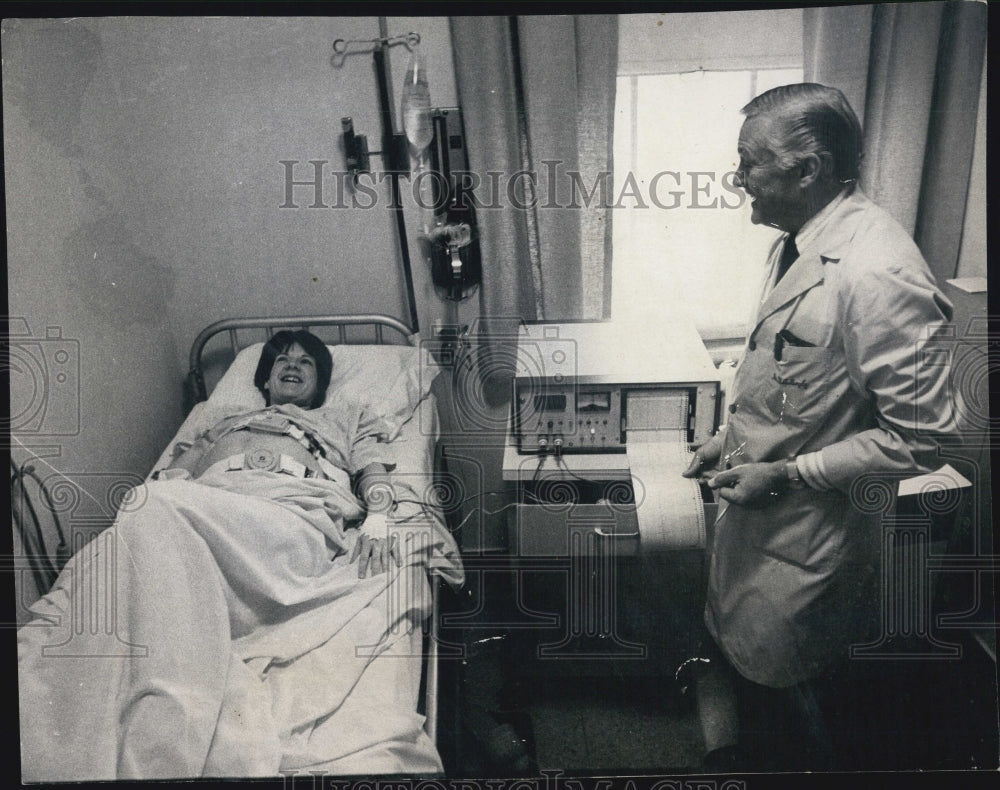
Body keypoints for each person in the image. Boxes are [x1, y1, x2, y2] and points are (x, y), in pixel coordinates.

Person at [681, 83, 957, 771]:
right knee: (755, 678)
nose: (737, 178)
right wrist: (731, 442)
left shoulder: (877, 271)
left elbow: (922, 438)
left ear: (809, 168)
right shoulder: (800, 243)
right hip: (763, 527)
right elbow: (793, 382)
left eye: (751, 162)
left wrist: (787, 472)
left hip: (813, 538)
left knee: (799, 713)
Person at [160, 329, 399, 577]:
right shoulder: (220, 418)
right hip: (210, 496)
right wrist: (209, 437)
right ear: (266, 379)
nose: (293, 366)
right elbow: (172, 477)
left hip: (286, 502)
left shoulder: (344, 419)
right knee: (147, 504)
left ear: (319, 385)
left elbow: (371, 467)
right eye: (282, 360)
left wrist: (378, 517)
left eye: (305, 362)